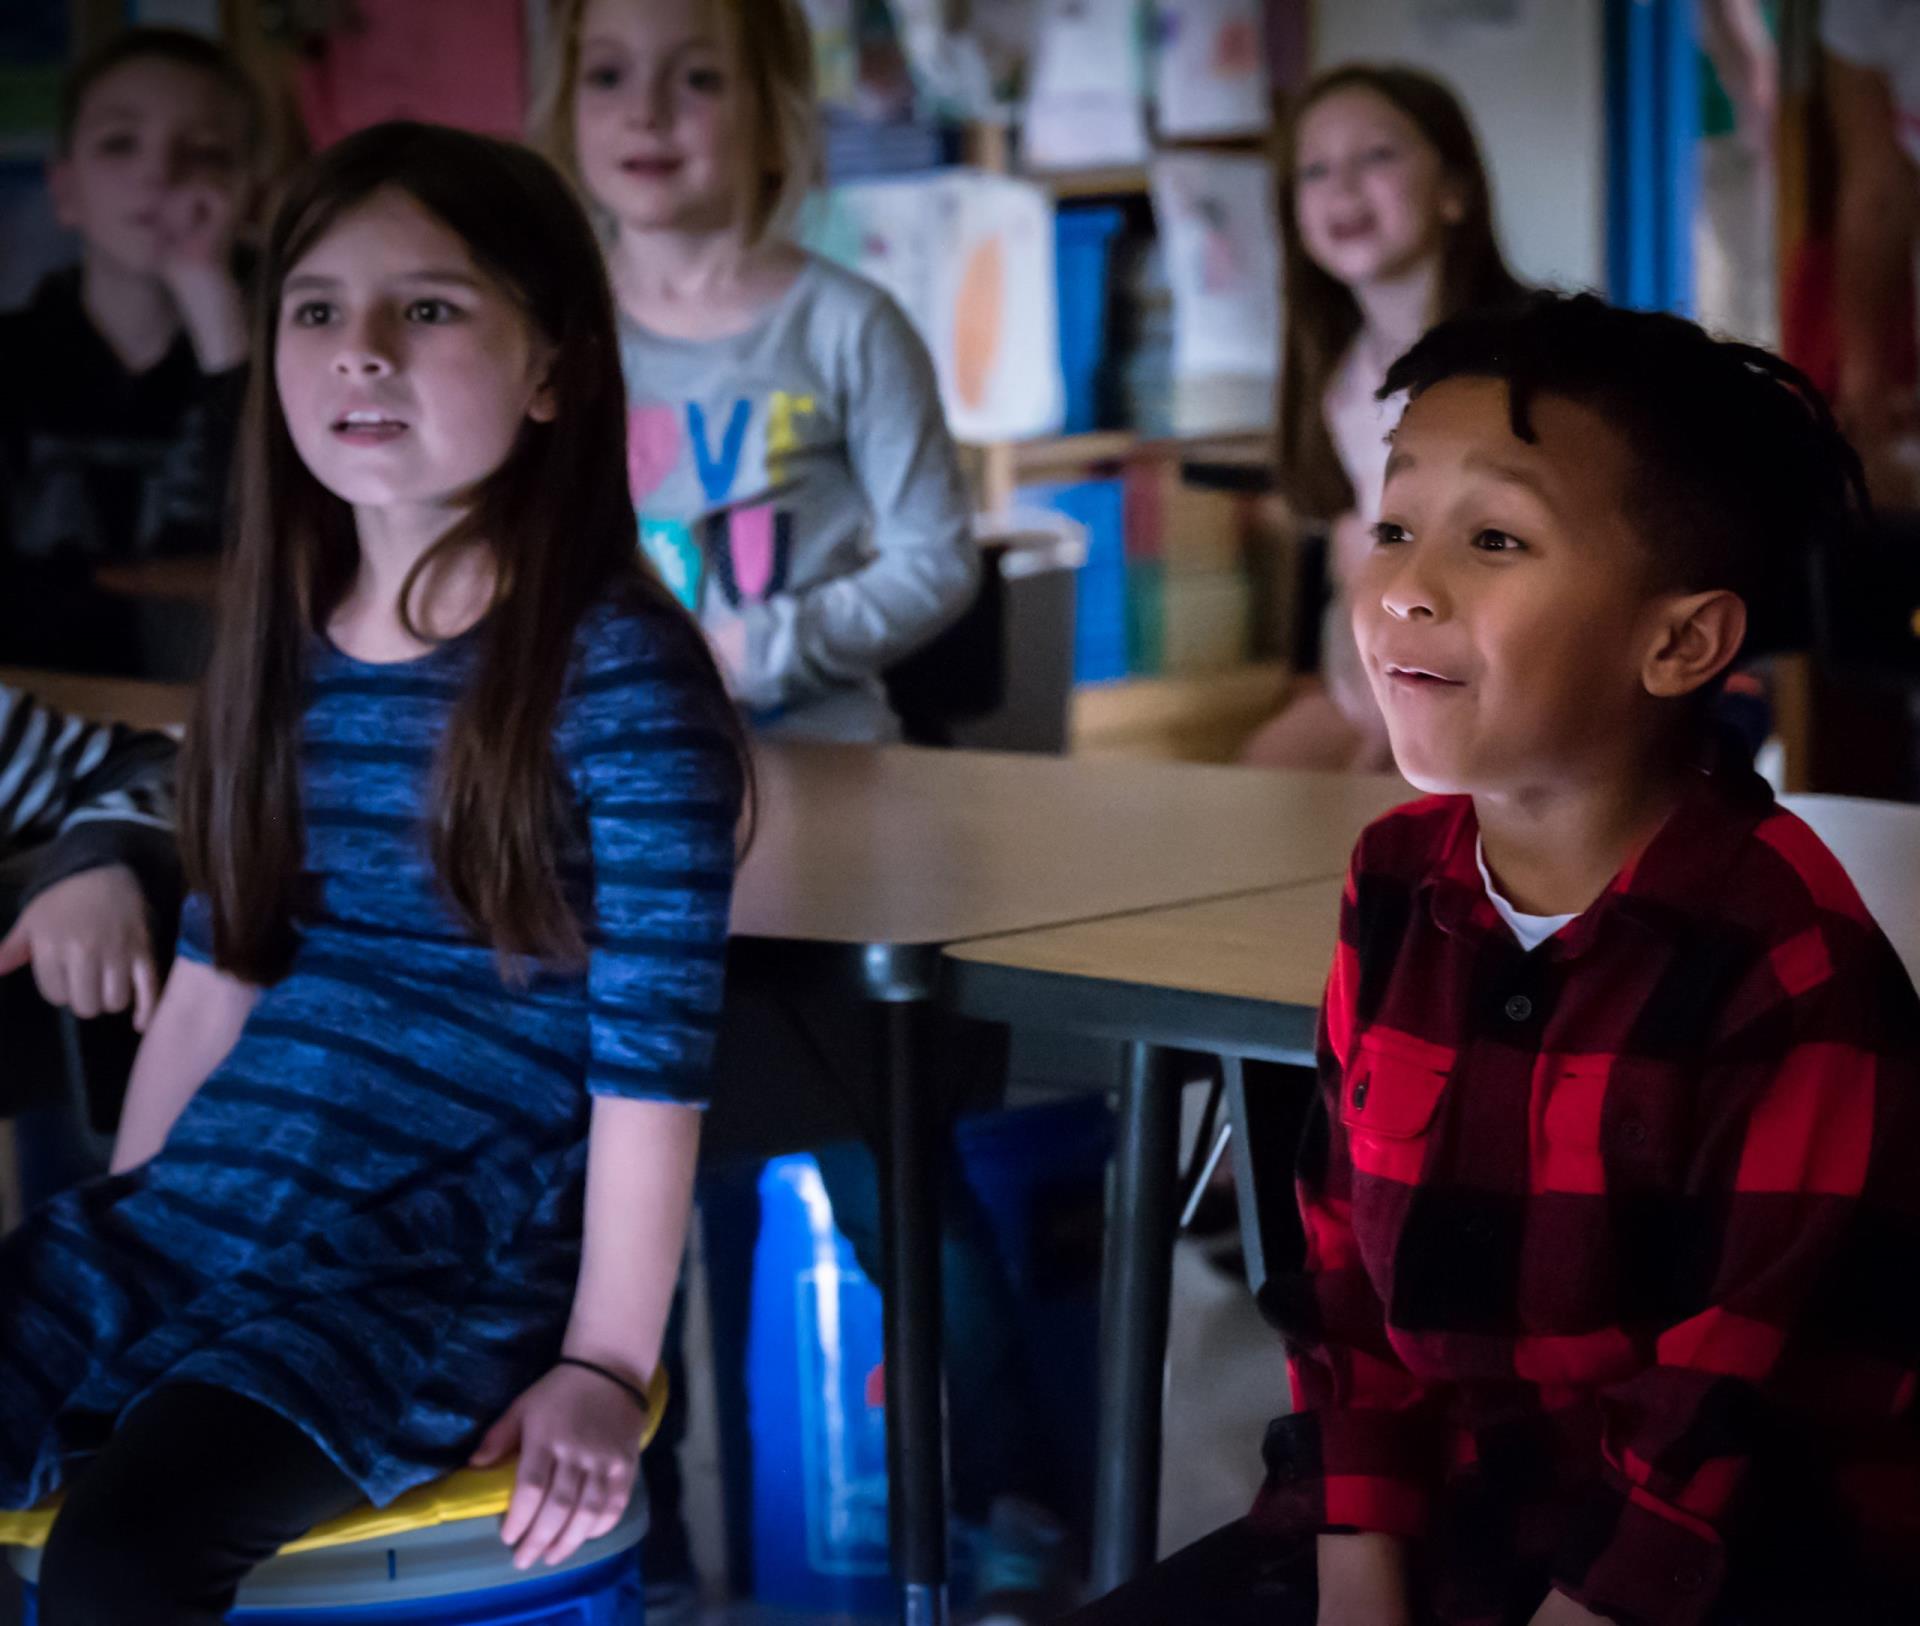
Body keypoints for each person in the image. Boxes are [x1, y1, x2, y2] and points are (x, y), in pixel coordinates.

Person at [1069, 293, 1920, 1626]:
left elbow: (1725, 1412)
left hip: (1718, 1569)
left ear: (1682, 640)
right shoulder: (1395, 881)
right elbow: (1348, 1280)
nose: (1407, 583)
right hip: (1449, 1529)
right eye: (1399, 525)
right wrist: (1361, 1573)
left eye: (1497, 538)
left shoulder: (1794, 966)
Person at [0, 121, 746, 1625]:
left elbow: (650, 1069)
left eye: (430, 307)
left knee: (125, 1558)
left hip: (431, 1249)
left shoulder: (619, 676)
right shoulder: (282, 634)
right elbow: (220, 970)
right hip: (217, 1200)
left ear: (554, 370)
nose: (361, 352)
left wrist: (607, 1360)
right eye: (318, 310)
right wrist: (139, 1228)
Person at [533, 0, 979, 745]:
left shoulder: (853, 327)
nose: (645, 111)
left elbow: (933, 559)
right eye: (608, 74)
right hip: (605, 772)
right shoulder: (542, 334)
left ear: (775, 116)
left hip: (818, 764)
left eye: (699, 79)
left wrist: (757, 653)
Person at [1242, 65, 1525, 773]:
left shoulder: (1521, 363)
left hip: (1498, 673)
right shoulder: (1339, 378)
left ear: (1454, 190)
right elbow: (1356, 558)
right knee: (1255, 787)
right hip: (1382, 670)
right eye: (1314, 170)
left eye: (1376, 156)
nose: (1341, 188)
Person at [0, 28, 260, 673]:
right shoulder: (8, 359)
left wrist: (212, 301)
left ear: (247, 195)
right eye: (121, 143)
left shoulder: (292, 365)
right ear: (66, 191)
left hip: (212, 731)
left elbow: (287, 562)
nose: (161, 173)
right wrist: (181, 583)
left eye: (205, 151)